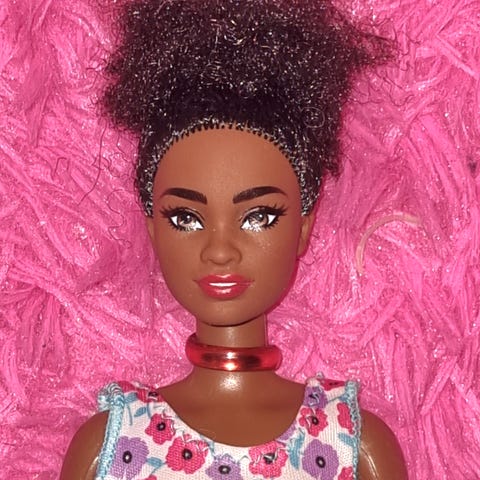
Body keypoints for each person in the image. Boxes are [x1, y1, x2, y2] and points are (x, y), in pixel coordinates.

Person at [61, 1, 407, 478]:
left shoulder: (350, 443)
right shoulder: (113, 444)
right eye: (186, 218)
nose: (220, 251)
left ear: (304, 227)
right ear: (153, 229)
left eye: (258, 216)